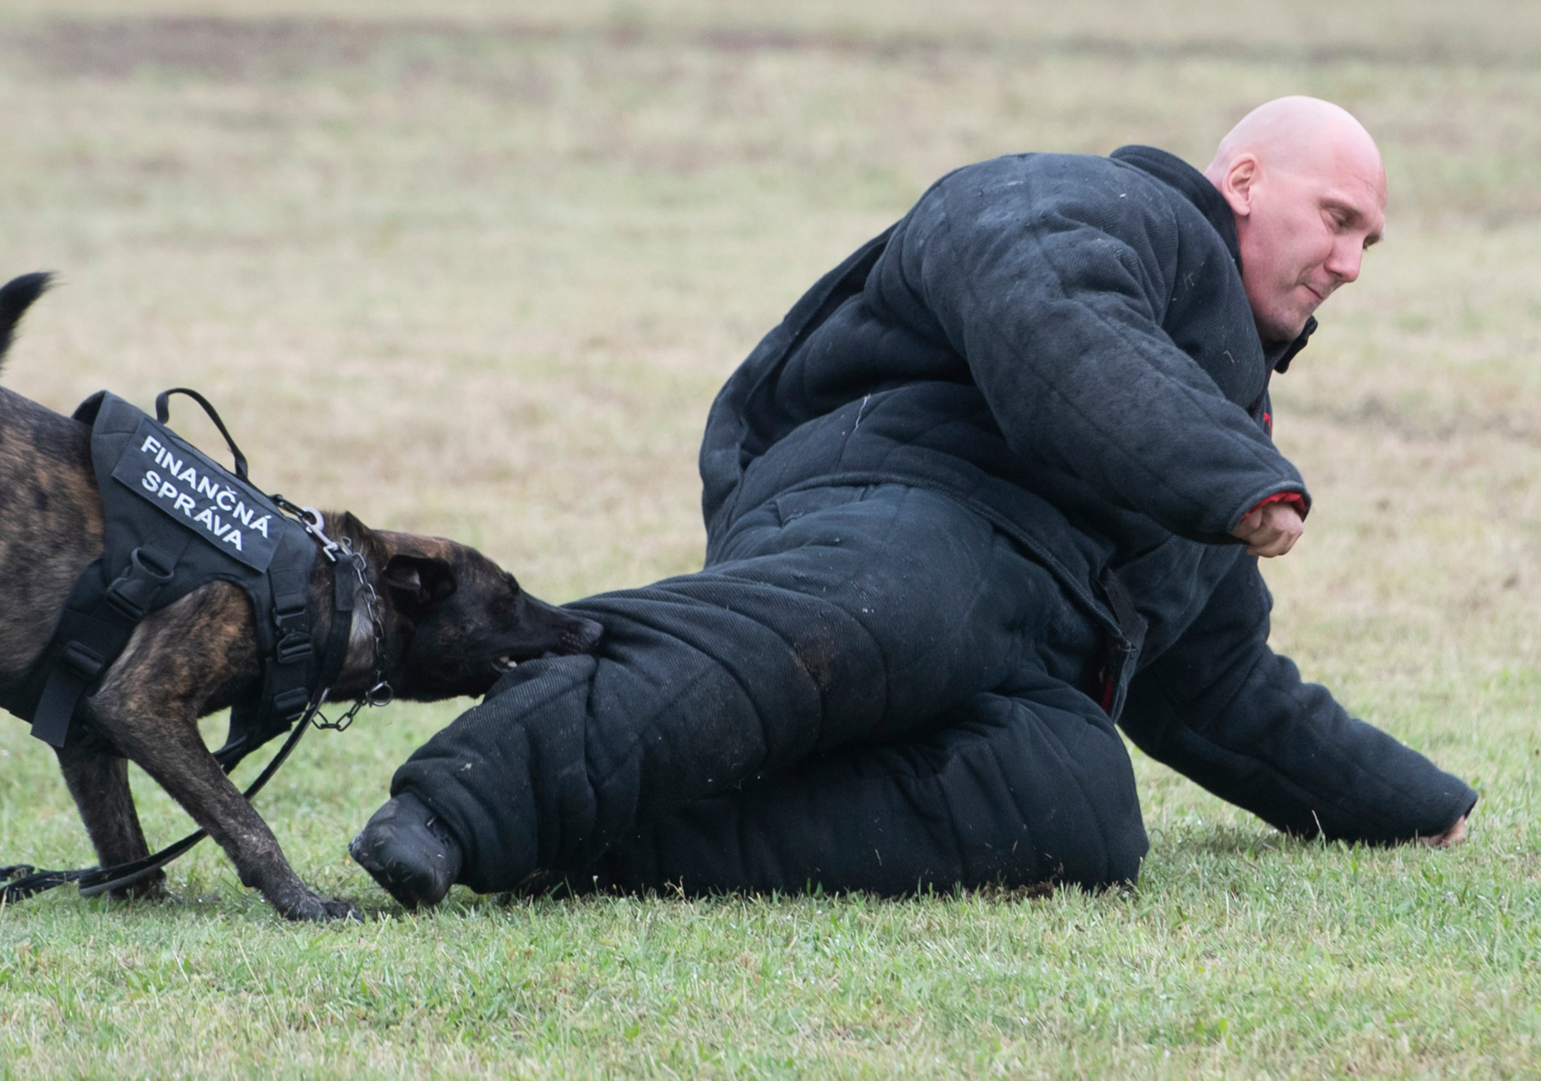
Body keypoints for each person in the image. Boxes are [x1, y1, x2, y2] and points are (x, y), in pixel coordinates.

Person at [349, 97, 1477, 908]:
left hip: (1030, 641)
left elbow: (1220, 683)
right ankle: (460, 801)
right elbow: (1054, 323)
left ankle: (606, 851)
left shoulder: (1210, 419)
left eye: (1369, 240)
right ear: (1242, 183)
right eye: (1337, 218)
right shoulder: (1096, 202)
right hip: (889, 499)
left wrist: (1415, 802)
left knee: (1082, 802)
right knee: (908, 601)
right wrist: (1233, 479)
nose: (1351, 264)